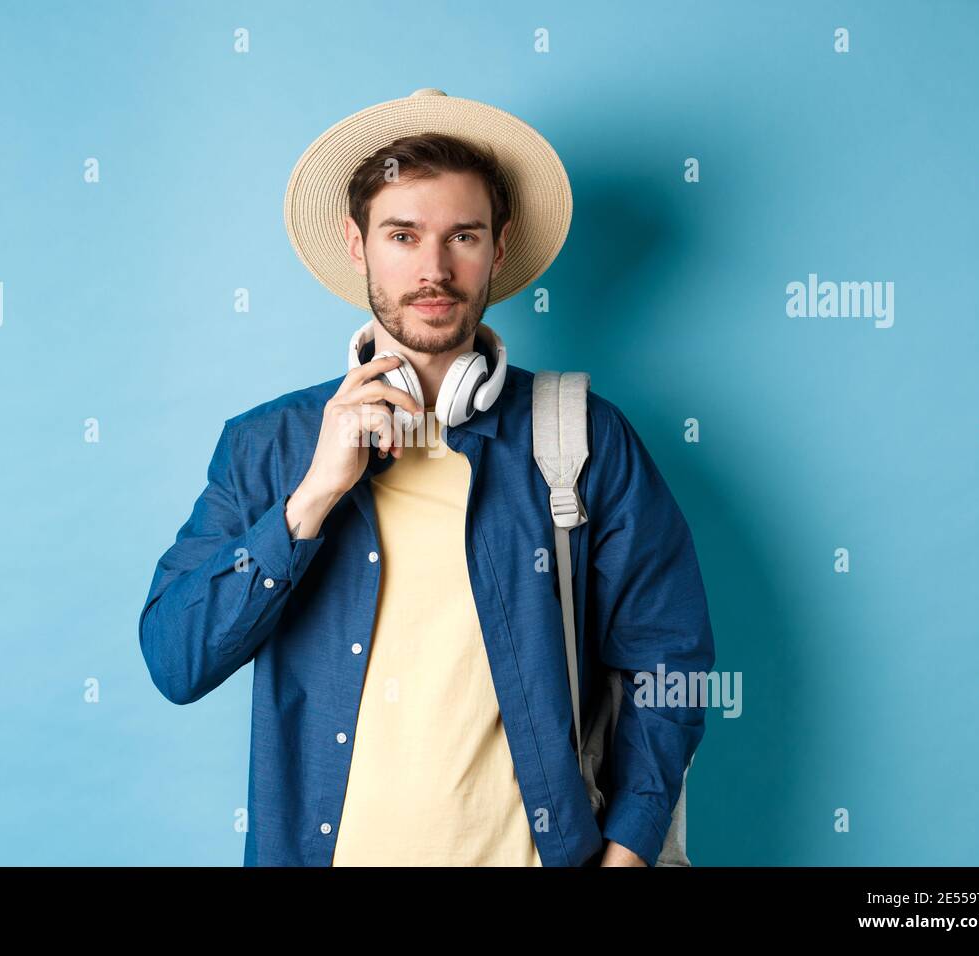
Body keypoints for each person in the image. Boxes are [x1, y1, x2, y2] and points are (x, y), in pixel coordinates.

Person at [139, 89, 716, 867]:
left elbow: (669, 660)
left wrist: (630, 849)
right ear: (358, 245)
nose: (433, 269)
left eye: (462, 236)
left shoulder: (580, 437)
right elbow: (176, 661)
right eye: (403, 235)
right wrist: (312, 497)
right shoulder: (268, 447)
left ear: (499, 248)